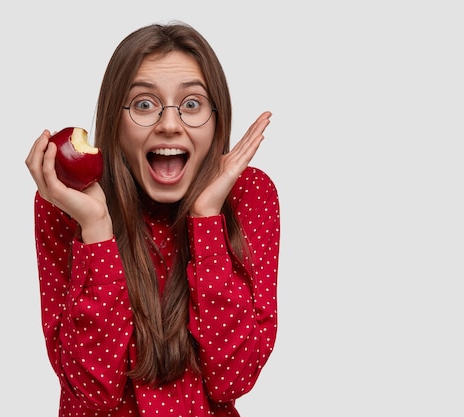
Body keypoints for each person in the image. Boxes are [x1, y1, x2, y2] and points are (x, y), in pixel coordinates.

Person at [25, 21, 280, 417]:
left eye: (192, 104)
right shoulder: (66, 202)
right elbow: (92, 390)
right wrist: (96, 229)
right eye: (144, 104)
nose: (169, 124)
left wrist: (207, 219)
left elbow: (234, 379)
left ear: (216, 119)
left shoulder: (249, 194)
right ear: (114, 120)